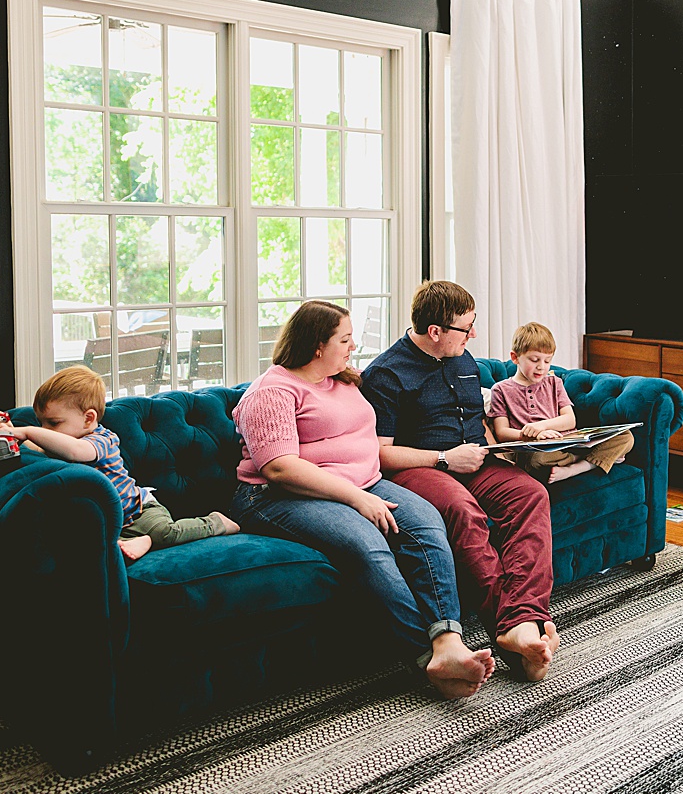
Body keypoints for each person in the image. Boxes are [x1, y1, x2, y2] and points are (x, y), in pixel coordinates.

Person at [230, 300, 493, 699]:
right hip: (277, 497)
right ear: (317, 345)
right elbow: (280, 469)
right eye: (345, 339)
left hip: (362, 483)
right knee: (367, 544)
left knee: (426, 523)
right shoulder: (273, 391)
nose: (353, 346)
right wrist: (357, 499)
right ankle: (426, 658)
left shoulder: (343, 379)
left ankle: (448, 641)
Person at [361, 281, 560, 682]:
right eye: (466, 328)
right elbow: (380, 452)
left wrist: (502, 447)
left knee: (531, 494)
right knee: (462, 511)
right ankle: (509, 629)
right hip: (420, 468)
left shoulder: (464, 359)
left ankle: (521, 621)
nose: (473, 335)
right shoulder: (385, 373)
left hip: (477, 460)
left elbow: (478, 422)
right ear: (435, 331)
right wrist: (445, 459)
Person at [0, 365, 239, 562]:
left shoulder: (101, 439)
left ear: (88, 419)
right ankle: (141, 542)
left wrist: (28, 430)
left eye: (52, 423)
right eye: (41, 422)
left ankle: (215, 522)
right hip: (111, 522)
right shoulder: (59, 440)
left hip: (138, 511)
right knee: (92, 543)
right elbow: (35, 447)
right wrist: (8, 431)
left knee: (166, 533)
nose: (45, 430)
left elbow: (76, 453)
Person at [487, 321, 635, 484]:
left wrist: (542, 426)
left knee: (625, 437)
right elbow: (501, 432)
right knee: (537, 460)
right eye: (535, 360)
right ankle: (597, 459)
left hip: (565, 442)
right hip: (535, 450)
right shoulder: (500, 389)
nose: (541, 367)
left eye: (547, 361)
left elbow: (569, 420)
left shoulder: (554, 382)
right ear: (515, 357)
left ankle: (579, 467)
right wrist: (532, 434)